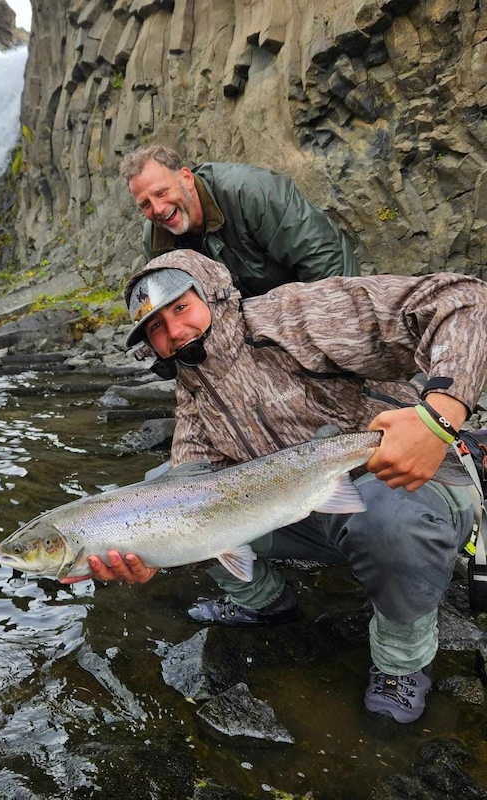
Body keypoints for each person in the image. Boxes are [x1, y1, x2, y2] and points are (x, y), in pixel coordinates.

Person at [62, 249, 487, 724]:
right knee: (169, 495)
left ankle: (403, 663)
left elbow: (465, 299)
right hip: (308, 507)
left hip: (403, 485)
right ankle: (267, 604)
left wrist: (439, 416)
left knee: (390, 523)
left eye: (180, 308)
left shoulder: (296, 316)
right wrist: (149, 557)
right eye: (156, 328)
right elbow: (186, 496)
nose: (174, 332)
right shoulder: (194, 394)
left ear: (213, 292)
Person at [119, 145, 359, 297]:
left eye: (161, 193)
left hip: (319, 290)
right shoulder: (157, 243)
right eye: (146, 205)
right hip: (249, 320)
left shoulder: (252, 192)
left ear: (186, 178)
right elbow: (176, 307)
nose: (158, 209)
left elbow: (324, 259)